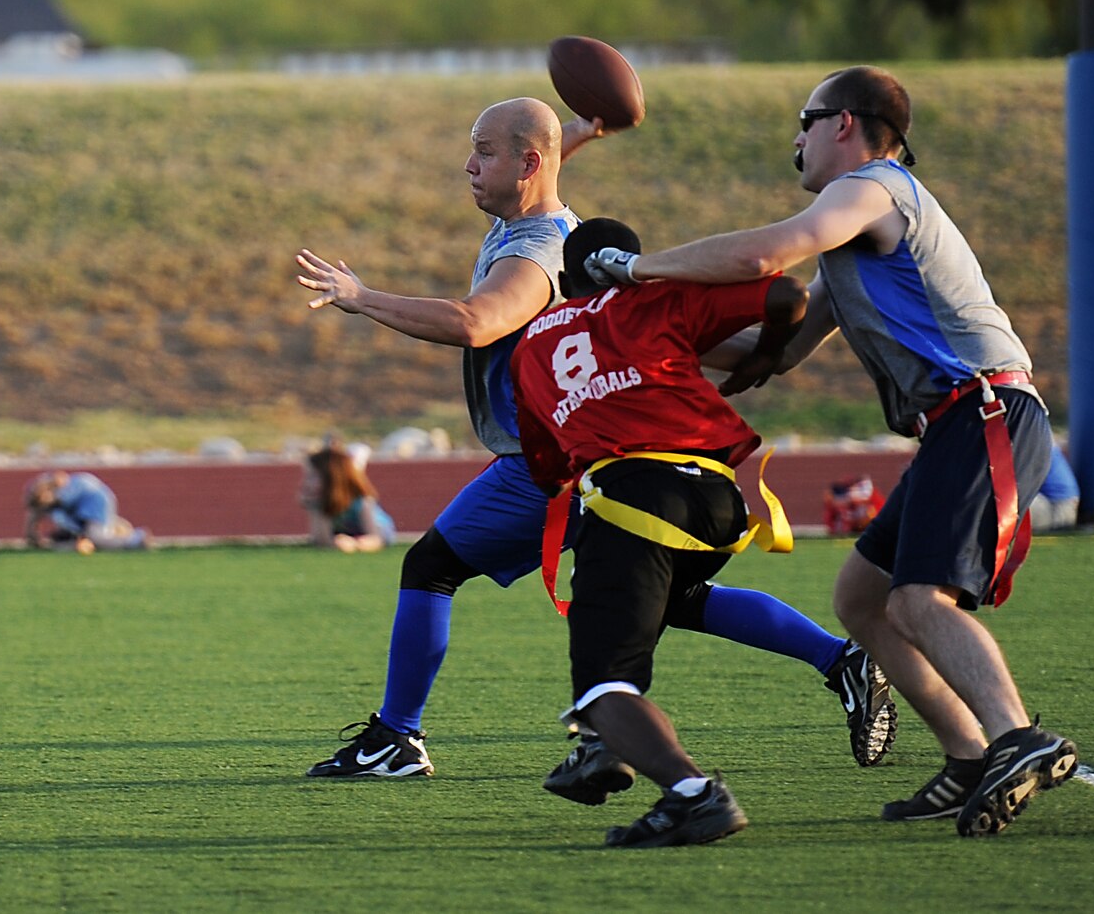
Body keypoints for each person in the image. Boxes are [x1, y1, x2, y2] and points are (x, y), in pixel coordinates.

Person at [295, 98, 892, 781]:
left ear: (526, 164)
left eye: (483, 151)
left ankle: (401, 737)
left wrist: (361, 295)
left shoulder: (532, 254)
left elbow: (475, 321)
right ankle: (840, 658)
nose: (467, 165)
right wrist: (574, 135)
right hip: (627, 456)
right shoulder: (551, 224)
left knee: (432, 566)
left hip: (554, 460)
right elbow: (537, 185)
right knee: (672, 597)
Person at [580, 64, 1074, 837]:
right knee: (861, 598)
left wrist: (638, 268)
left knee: (920, 600)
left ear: (844, 123)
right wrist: (633, 331)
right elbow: (769, 355)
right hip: (957, 422)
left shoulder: (875, 188)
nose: (796, 138)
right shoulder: (854, 238)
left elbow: (764, 255)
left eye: (805, 121)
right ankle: (969, 753)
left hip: (984, 409)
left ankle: (1018, 737)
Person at [512, 217, 808, 847]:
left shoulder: (531, 346)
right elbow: (788, 294)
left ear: (563, 278)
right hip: (721, 503)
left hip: (635, 501)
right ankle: (608, 745)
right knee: (657, 607)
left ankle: (691, 793)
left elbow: (549, 469)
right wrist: (766, 354)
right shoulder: (657, 297)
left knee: (602, 680)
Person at [301, 439, 396, 552]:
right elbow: (321, 539)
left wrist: (357, 544)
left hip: (376, 530)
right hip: (345, 533)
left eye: (312, 477)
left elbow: (376, 538)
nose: (307, 482)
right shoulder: (321, 502)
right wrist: (315, 509)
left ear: (332, 478)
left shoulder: (361, 501)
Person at [23, 471, 149, 553]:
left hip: (95, 506)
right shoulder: (52, 494)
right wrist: (32, 535)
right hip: (80, 512)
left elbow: (53, 503)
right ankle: (115, 529)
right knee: (60, 538)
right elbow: (36, 513)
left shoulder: (66, 491)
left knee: (96, 538)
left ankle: (137, 538)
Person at [1030, 448, 1078, 532]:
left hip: (1057, 508)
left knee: (1015, 498)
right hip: (1064, 507)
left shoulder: (1035, 447)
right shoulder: (1042, 445)